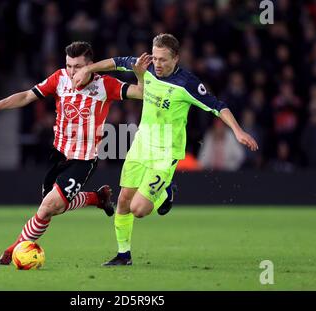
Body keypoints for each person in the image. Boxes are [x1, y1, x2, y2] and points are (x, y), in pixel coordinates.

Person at [74, 33, 258, 266]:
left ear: (176, 59)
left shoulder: (187, 84)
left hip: (165, 154)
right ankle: (123, 255)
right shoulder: (147, 66)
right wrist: (88, 70)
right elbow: (116, 61)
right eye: (155, 57)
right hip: (141, 146)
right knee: (123, 202)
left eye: (163, 60)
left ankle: (166, 193)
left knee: (138, 209)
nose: (157, 64)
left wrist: (238, 131)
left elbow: (218, 106)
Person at [0, 42, 144, 265]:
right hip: (59, 155)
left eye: (78, 66)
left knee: (47, 207)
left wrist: (139, 74)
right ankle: (97, 198)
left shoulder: (105, 85)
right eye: (69, 65)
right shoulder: (59, 78)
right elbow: (26, 96)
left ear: (90, 66)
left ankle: (14, 249)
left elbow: (140, 92)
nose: (72, 71)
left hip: (83, 159)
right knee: (55, 208)